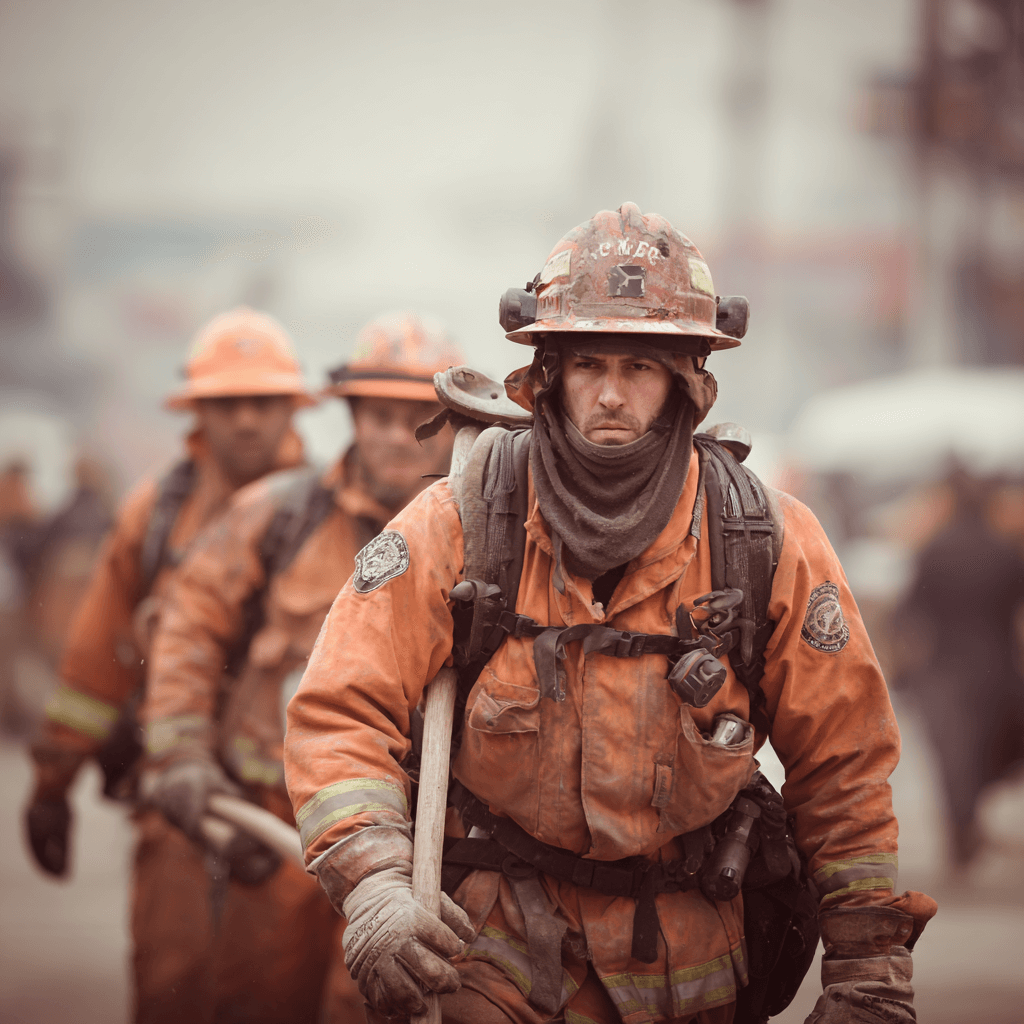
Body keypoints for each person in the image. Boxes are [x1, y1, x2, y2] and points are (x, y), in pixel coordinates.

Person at [283, 204, 937, 1024]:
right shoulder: (461, 521)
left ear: (688, 383)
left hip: (692, 970)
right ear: (547, 376)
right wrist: (376, 884)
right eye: (589, 363)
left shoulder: (766, 541)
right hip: (494, 959)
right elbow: (340, 709)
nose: (613, 396)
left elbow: (843, 767)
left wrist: (869, 965)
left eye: (641, 367)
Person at [141, 313, 463, 1024]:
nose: (389, 435)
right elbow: (187, 630)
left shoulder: (485, 546)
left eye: (415, 418)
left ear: (456, 426)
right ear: (348, 415)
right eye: (375, 415)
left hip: (417, 859)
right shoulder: (276, 517)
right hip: (270, 839)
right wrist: (184, 753)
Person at [24, 307, 313, 1020]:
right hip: (176, 811)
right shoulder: (154, 514)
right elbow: (95, 663)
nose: (245, 420)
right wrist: (52, 781)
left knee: (285, 1000)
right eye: (226, 404)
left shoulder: (333, 514)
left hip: (295, 818)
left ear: (292, 408)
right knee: (172, 989)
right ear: (195, 412)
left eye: (263, 402)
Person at [895, 462, 1024, 867]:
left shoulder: (934, 549)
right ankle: (970, 828)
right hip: (997, 668)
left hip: (943, 671)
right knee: (989, 751)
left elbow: (908, 609)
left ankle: (960, 837)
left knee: (953, 757)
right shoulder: (1006, 551)